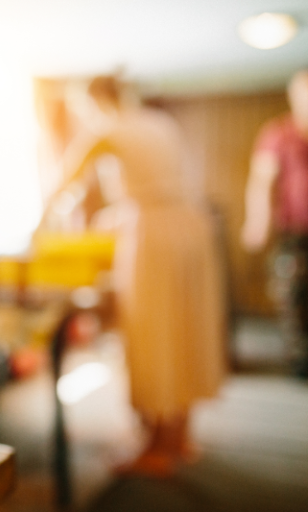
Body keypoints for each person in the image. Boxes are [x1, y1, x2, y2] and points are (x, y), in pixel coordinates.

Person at [41, 76, 227, 477]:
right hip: (192, 226)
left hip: (154, 236)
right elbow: (162, 185)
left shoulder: (107, 127)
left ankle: (157, 447)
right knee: (185, 328)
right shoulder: (159, 122)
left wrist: (40, 230)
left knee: (153, 333)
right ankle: (179, 436)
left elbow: (63, 183)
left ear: (94, 102)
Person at [241, 70, 308, 378]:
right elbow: (261, 181)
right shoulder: (279, 133)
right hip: (293, 232)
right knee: (292, 295)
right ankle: (301, 362)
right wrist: (257, 221)